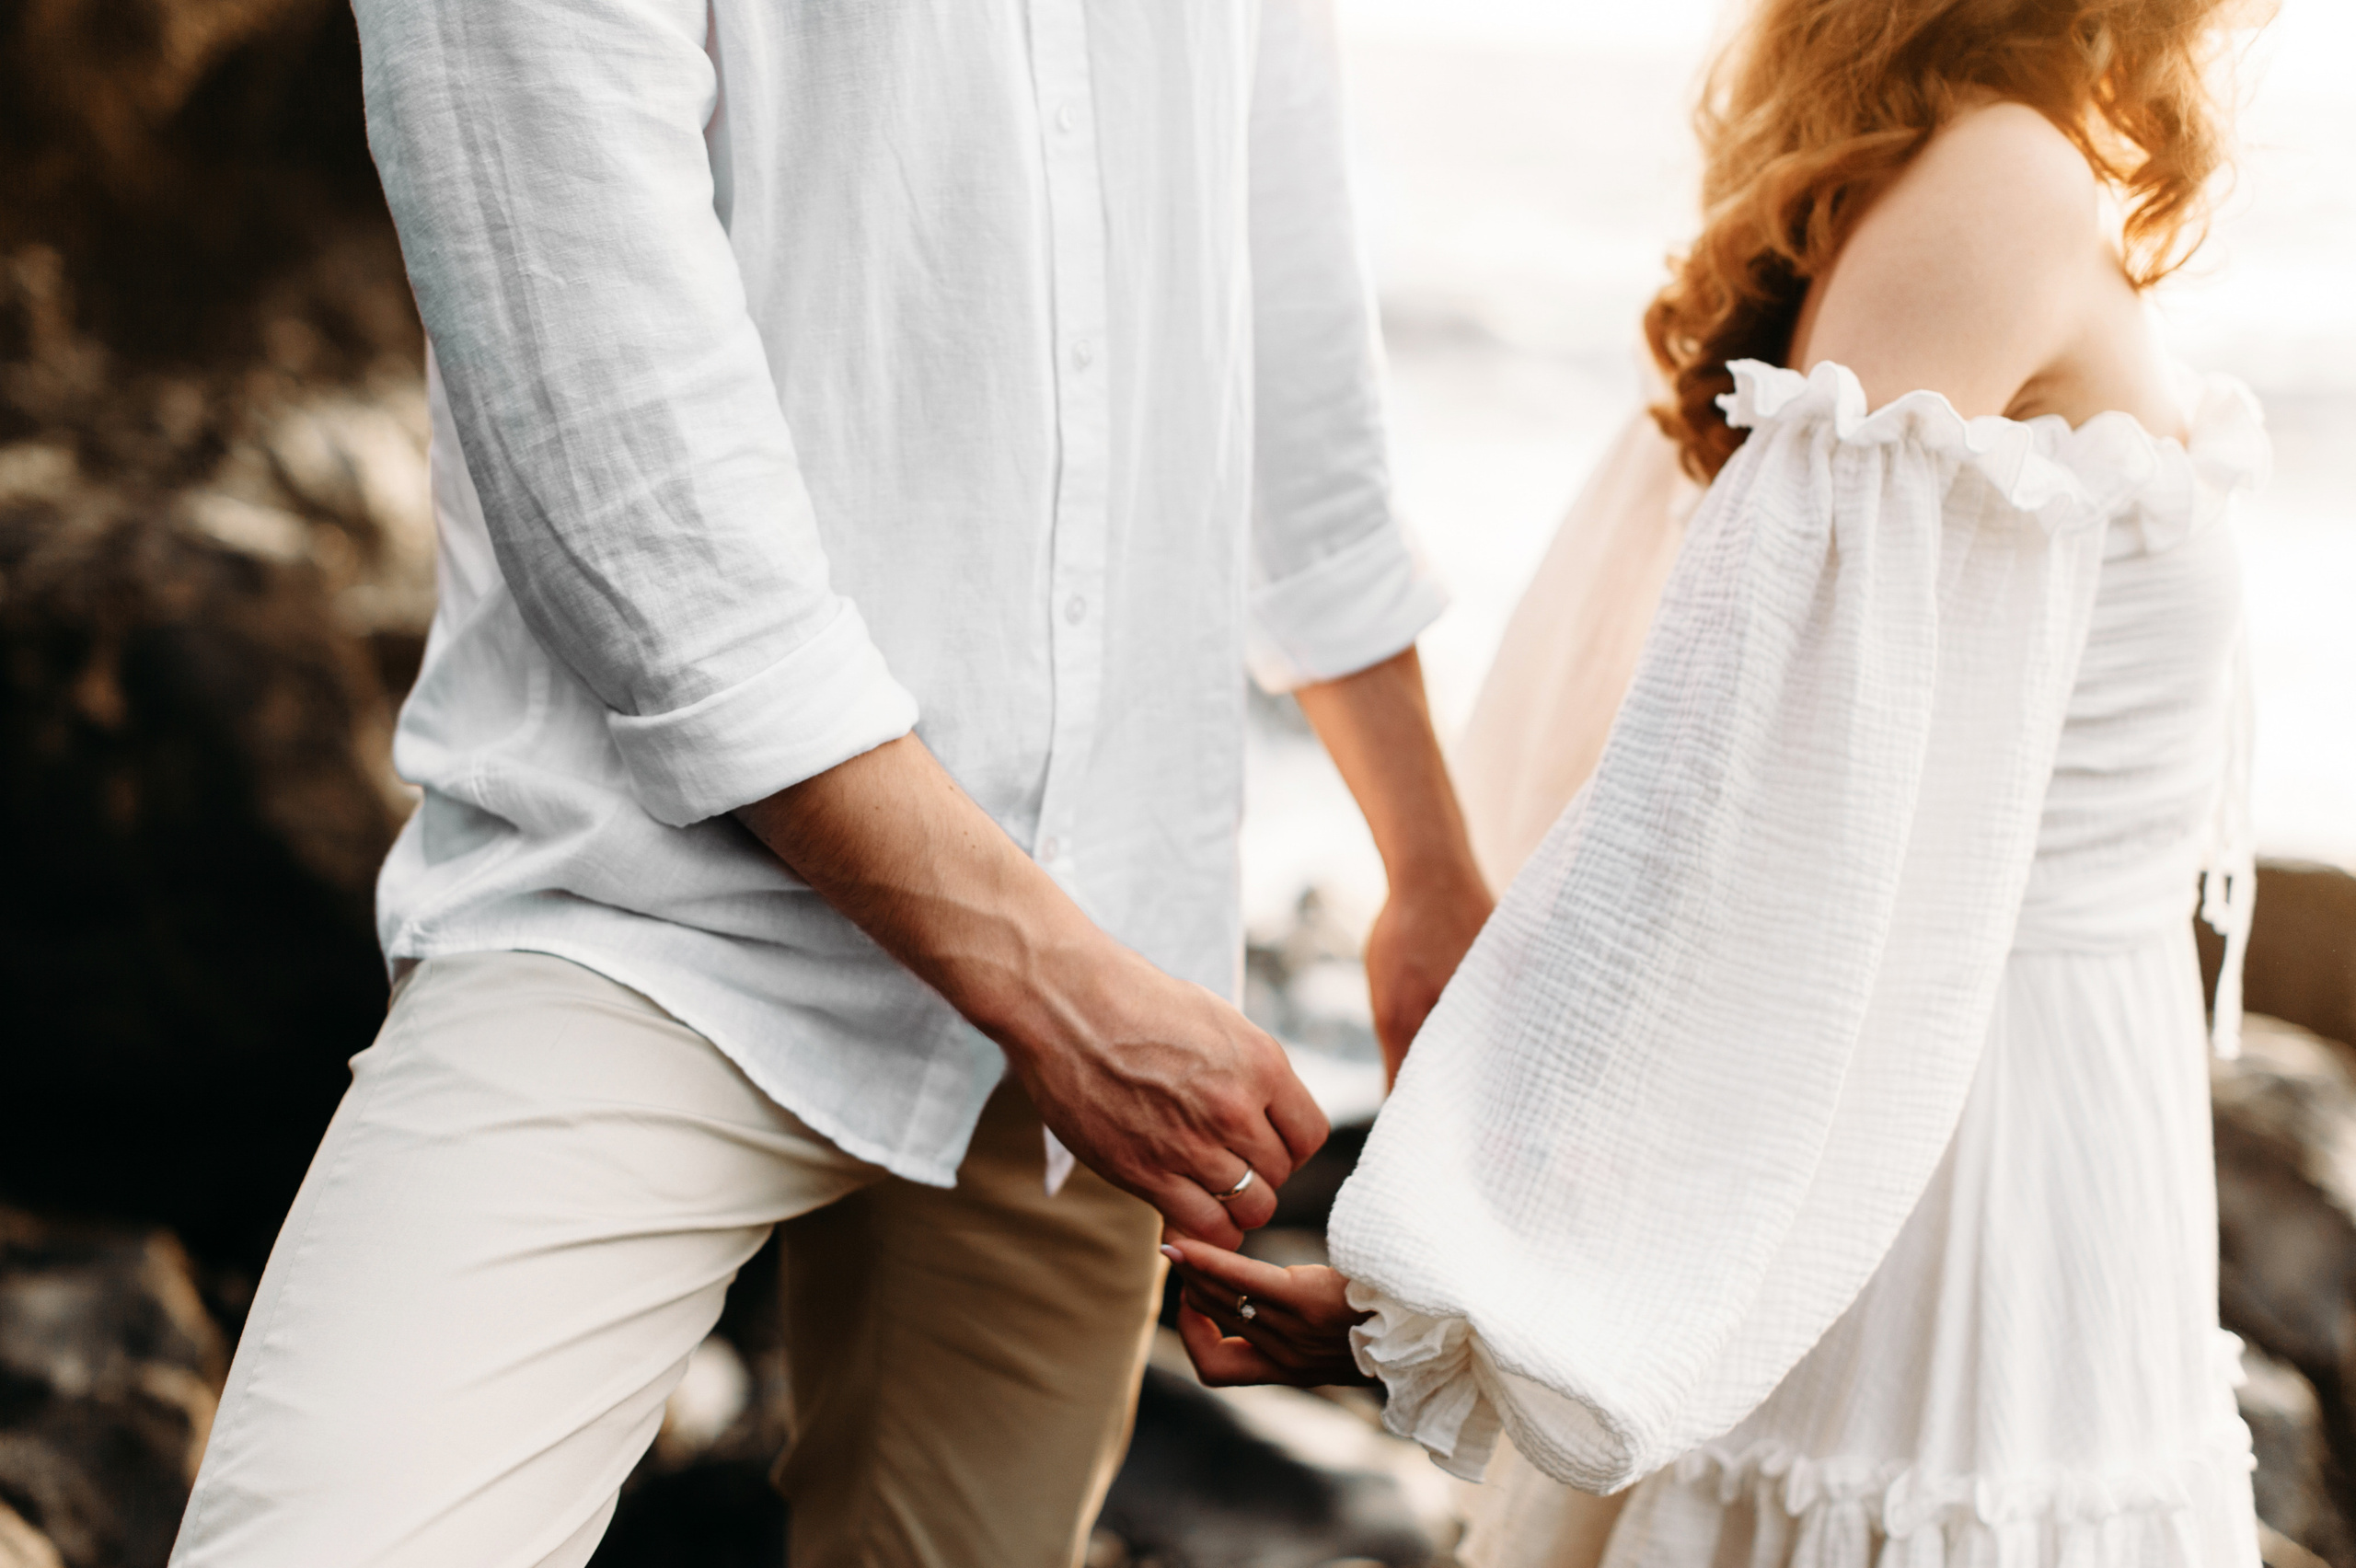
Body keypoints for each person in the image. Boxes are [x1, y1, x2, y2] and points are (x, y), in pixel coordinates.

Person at [165, 4, 1497, 1565]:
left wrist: (1427, 864)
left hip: (1109, 927)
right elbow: (628, 476)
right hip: (650, 922)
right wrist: (1055, 990)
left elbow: (1281, 329)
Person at [1164, 0, 2275, 1563]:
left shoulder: (1966, 172)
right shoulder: (1999, 184)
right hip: (1967, 1157)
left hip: (2062, 1115)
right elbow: (1754, 809)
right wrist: (1442, 1286)